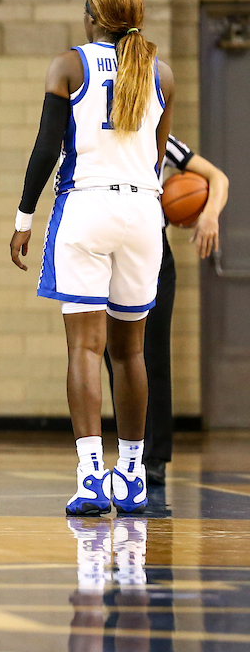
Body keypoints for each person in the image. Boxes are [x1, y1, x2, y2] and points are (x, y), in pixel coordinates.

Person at [11, 0, 173, 516]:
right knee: (131, 352)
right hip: (144, 211)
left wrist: (23, 217)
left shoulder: (69, 65)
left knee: (84, 347)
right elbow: (156, 159)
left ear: (91, 17)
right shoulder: (162, 74)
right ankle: (133, 475)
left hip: (87, 205)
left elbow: (45, 150)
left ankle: (89, 476)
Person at [106, 134, 228, 486]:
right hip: (107, 244)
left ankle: (155, 457)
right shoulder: (94, 128)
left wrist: (210, 214)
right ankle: (130, 452)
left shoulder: (157, 131)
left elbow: (218, 177)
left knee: (153, 354)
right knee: (113, 355)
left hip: (151, 249)